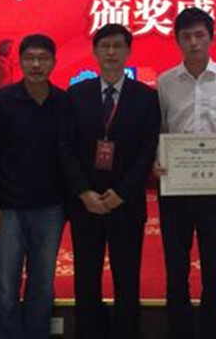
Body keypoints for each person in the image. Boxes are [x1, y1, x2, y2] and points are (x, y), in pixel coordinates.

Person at [61, 24, 161, 339]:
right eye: (105, 46)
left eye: (118, 46)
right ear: (95, 52)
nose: (111, 52)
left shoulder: (146, 97)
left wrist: (123, 192)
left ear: (128, 51)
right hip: (86, 204)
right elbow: (66, 148)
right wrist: (83, 192)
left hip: (126, 203)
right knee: (86, 277)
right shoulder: (77, 94)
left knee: (127, 278)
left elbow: (147, 151)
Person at [157, 7, 216, 339]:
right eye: (186, 37)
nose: (194, 43)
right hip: (176, 188)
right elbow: (160, 131)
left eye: (200, 35)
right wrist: (157, 160)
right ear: (177, 41)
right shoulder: (165, 81)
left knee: (214, 270)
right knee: (176, 270)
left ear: (211, 38)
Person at [0, 34, 68, 339]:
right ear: (20, 62)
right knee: (6, 285)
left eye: (43, 58)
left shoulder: (64, 103)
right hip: (8, 210)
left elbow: (71, 156)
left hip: (50, 209)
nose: (36, 64)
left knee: (42, 285)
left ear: (54, 62)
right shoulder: (0, 102)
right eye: (30, 58)